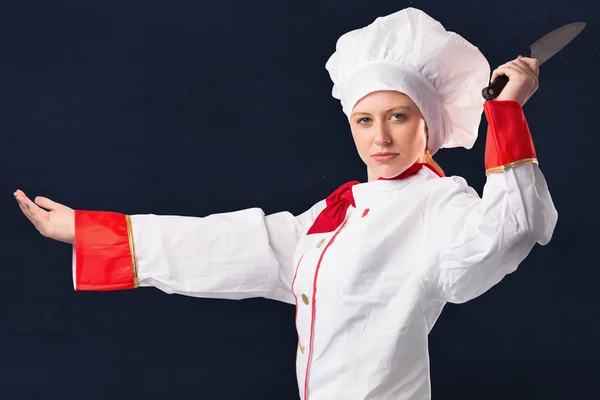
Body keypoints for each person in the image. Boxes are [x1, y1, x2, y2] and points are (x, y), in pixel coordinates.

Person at [14, 7, 557, 400]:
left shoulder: (440, 204)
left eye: (399, 116)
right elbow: (224, 245)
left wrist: (506, 113)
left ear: (428, 127)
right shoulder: (333, 215)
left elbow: (511, 228)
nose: (381, 137)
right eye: (365, 120)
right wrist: (88, 231)